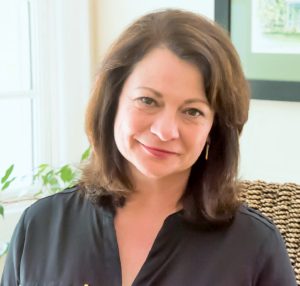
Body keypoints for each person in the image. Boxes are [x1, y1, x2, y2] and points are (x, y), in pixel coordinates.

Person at [1, 9, 297, 286]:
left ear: (213, 130)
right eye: (147, 100)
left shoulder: (255, 247)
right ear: (112, 103)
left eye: (192, 111)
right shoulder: (39, 226)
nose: (165, 130)